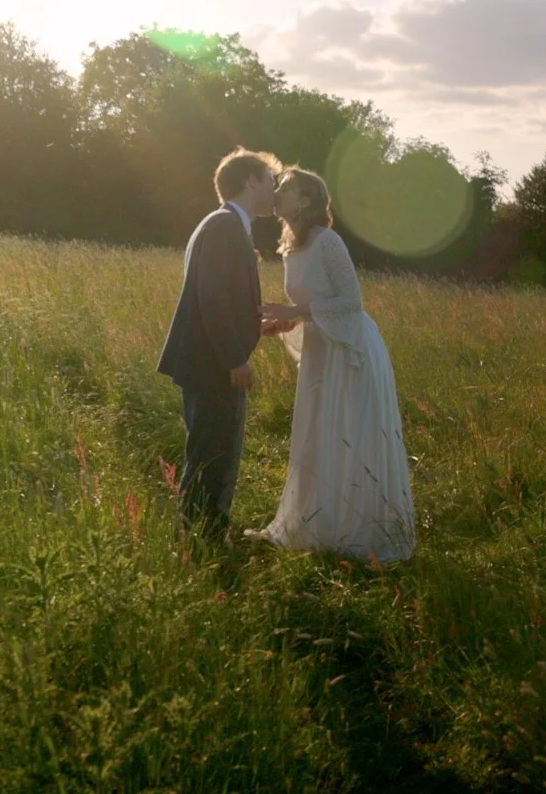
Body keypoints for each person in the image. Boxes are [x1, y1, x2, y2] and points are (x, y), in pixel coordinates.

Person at [251, 167, 416, 562]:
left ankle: (357, 531)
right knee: (317, 432)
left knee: (348, 432)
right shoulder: (290, 245)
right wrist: (287, 320)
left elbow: (350, 302)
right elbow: (313, 306)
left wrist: (296, 310)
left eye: (286, 188)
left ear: (306, 200)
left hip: (351, 349)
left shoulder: (328, 242)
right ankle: (314, 526)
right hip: (321, 350)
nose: (277, 192)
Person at [155, 147, 282, 538]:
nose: (275, 191)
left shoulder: (226, 224)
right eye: (270, 181)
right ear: (251, 182)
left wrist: (255, 322)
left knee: (213, 449)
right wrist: (233, 359)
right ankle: (202, 539)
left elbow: (222, 295)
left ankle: (204, 533)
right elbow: (211, 297)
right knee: (214, 454)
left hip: (209, 359)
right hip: (211, 363)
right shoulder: (225, 225)